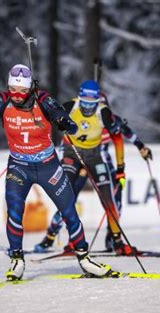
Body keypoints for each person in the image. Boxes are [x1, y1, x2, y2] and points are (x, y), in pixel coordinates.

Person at [0, 64, 114, 280]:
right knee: (14, 211)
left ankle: (85, 259)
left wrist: (64, 122)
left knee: (68, 211)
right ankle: (17, 260)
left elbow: (66, 120)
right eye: (13, 89)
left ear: (30, 88)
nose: (17, 95)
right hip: (19, 167)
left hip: (47, 166)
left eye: (22, 90)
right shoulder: (1, 100)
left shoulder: (42, 99)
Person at [33, 80, 152, 255]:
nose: (89, 107)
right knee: (66, 197)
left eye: (94, 102)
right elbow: (48, 119)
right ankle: (53, 237)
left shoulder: (106, 115)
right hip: (72, 153)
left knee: (111, 199)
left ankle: (115, 240)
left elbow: (123, 135)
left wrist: (133, 155)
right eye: (85, 101)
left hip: (97, 157)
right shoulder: (71, 107)